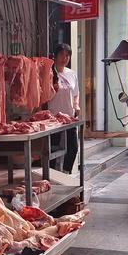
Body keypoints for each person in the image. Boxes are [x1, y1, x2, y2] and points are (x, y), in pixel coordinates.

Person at [49, 43, 80, 173]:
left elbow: (76, 94)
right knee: (52, 148)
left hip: (69, 117)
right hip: (53, 118)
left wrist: (76, 105)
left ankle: (66, 172)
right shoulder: (49, 73)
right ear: (55, 56)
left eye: (67, 55)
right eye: (62, 55)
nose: (65, 58)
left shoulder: (72, 74)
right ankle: (50, 174)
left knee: (73, 147)